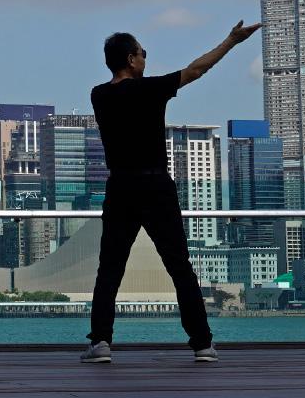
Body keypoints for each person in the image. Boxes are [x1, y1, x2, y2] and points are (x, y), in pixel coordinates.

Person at [81, 21, 260, 364]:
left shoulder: (99, 95)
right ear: (132, 59)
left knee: (109, 269)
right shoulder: (152, 89)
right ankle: (203, 344)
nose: (146, 59)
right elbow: (198, 69)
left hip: (120, 186)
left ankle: (101, 342)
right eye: (143, 53)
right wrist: (232, 40)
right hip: (156, 186)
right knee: (179, 267)